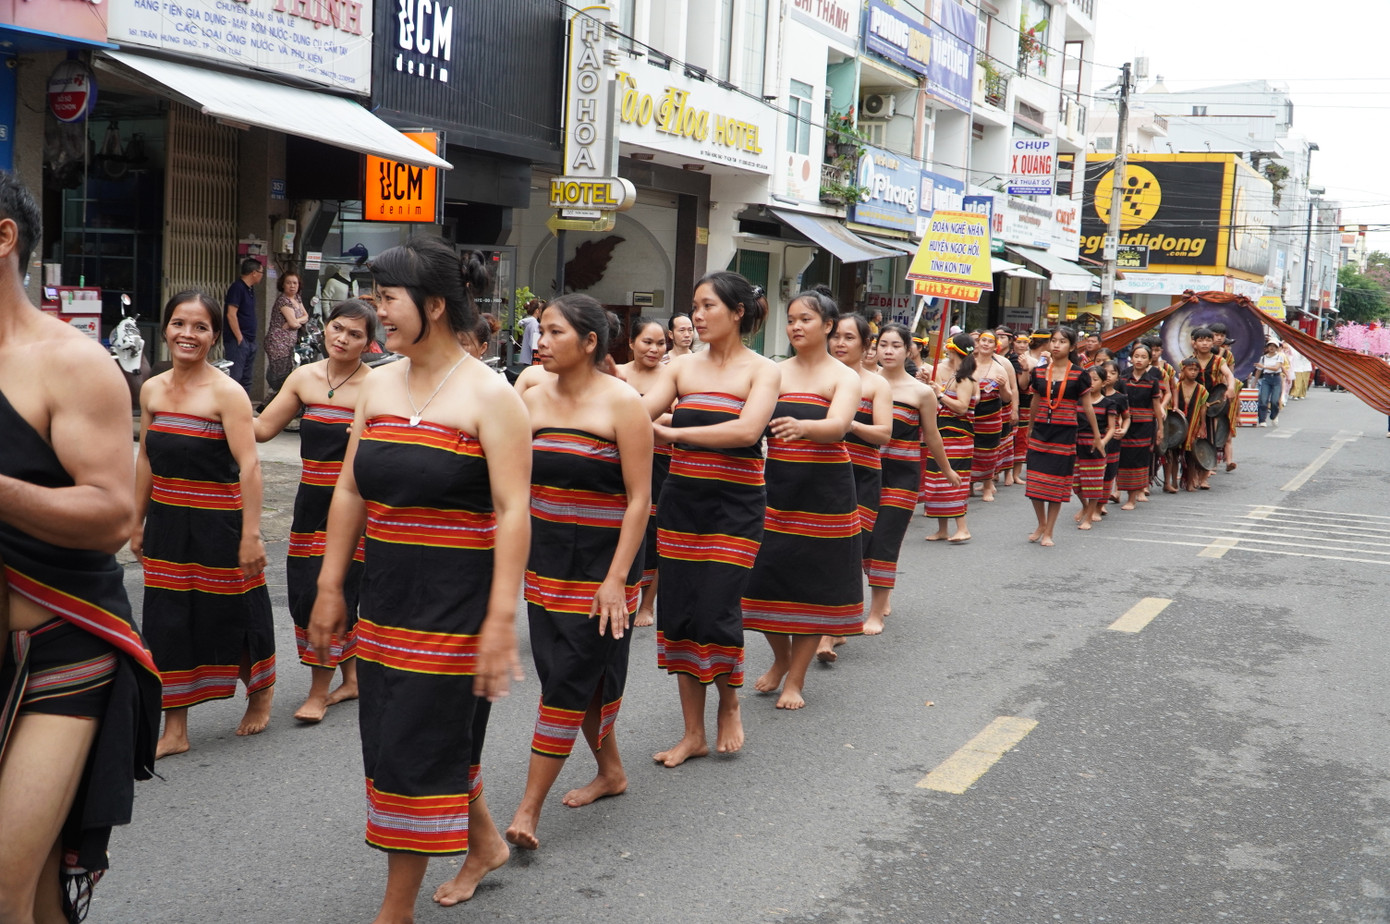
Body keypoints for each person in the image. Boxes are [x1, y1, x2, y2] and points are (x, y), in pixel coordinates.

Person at [309, 241, 530, 916]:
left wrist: (500, 620)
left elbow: (515, 511)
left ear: (433, 306)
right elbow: (350, 489)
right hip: (386, 596)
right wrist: (328, 585)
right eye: (374, 298)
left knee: (411, 744)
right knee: (401, 731)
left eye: (387, 299)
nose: (378, 312)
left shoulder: (493, 395)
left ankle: (393, 909)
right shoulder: (376, 383)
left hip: (456, 604)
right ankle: (485, 841)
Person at [0, 169, 161, 924]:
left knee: (5, 884)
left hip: (57, 649)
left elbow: (110, 515)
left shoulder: (70, 362)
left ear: (5, 239)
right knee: (30, 895)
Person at [505, 294, 651, 850]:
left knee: (568, 678)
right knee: (565, 674)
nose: (539, 342)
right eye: (540, 331)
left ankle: (527, 810)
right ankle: (611, 772)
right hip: (547, 561)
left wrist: (616, 579)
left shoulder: (623, 404)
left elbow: (639, 499)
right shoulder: (531, 398)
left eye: (554, 332)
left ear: (590, 343)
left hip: (603, 565)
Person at [640, 272, 779, 765]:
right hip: (682, 500)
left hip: (736, 504)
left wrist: (673, 435)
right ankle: (692, 733)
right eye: (694, 306)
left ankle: (730, 702)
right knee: (679, 611)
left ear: (738, 311)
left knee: (716, 607)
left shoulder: (763, 370)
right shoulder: (682, 370)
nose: (697, 316)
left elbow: (746, 432)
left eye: (707, 306)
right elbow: (639, 414)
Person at [133, 291, 276, 757]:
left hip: (221, 521)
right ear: (166, 328)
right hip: (168, 522)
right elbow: (146, 458)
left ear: (215, 336)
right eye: (178, 324)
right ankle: (175, 727)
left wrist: (252, 534)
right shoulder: (152, 388)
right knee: (166, 619)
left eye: (199, 327)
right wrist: (137, 522)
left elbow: (250, 466)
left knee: (233, 611)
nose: (187, 335)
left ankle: (260, 691)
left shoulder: (227, 393)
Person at [252, 300, 376, 722]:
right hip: (309, 503)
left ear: (368, 343)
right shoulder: (304, 377)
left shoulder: (376, 388)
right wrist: (217, 397)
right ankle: (353, 678)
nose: (343, 338)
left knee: (334, 592)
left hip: (356, 506)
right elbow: (264, 429)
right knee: (306, 591)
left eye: (355, 334)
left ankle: (318, 692)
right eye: (338, 328)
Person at [741, 288, 860, 710]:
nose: (796, 326)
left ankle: (796, 679)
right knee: (765, 576)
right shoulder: (774, 371)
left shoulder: (843, 376)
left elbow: (840, 425)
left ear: (828, 326)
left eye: (806, 319)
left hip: (825, 490)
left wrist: (805, 427)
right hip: (773, 484)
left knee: (813, 584)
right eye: (791, 318)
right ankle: (780, 658)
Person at [862, 324, 955, 635]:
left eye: (895, 346)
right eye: (883, 344)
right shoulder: (861, 383)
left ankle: (875, 612)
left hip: (901, 475)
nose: (888, 351)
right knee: (861, 541)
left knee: (885, 539)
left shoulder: (921, 392)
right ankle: (881, 591)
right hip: (863, 472)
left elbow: (932, 436)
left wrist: (947, 470)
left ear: (908, 350)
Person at [816, 312, 892, 662]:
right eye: (837, 337)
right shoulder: (816, 377)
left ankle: (829, 635)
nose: (841, 343)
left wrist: (848, 423)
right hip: (822, 474)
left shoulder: (876, 385)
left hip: (861, 477)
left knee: (848, 553)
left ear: (865, 346)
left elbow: (884, 434)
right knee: (821, 553)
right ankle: (825, 622)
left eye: (849, 338)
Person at [1025, 328, 1102, 547]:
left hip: (1065, 433)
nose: (1057, 345)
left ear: (1071, 346)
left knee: (1056, 485)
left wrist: (1097, 436)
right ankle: (1040, 523)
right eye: (1054, 341)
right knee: (1035, 482)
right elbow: (1035, 401)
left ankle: (1049, 531)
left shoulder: (1079, 374)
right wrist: (1030, 428)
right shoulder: (1039, 372)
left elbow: (1087, 406)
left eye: (1062, 341)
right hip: (1041, 431)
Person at [615, 318, 669, 628]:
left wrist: (659, 425)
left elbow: (686, 419)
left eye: (661, 343)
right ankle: (621, 590)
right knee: (624, 524)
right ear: (632, 342)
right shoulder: (617, 374)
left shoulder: (672, 374)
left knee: (659, 532)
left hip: (663, 461)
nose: (654, 349)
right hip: (621, 459)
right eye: (647, 341)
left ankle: (647, 603)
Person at [922, 333, 978, 542]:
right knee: (937, 478)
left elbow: (962, 408)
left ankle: (962, 527)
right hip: (943, 433)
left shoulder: (965, 379)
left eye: (949, 347)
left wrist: (940, 395)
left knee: (953, 478)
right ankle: (942, 528)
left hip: (958, 436)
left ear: (955, 350)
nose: (946, 351)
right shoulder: (955, 376)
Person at [969, 331, 1018, 502]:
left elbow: (1007, 397)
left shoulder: (999, 368)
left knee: (989, 453)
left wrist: (1003, 387)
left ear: (995, 346)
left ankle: (987, 486)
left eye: (990, 341)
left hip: (991, 418)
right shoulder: (968, 364)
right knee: (970, 451)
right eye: (983, 340)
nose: (985, 344)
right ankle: (969, 486)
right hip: (971, 416)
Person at [1118, 343, 1165, 509]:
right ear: (1131, 358)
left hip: (1144, 425)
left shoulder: (1152, 381)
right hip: (1124, 423)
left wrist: (1160, 428)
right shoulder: (1123, 377)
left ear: (1149, 361)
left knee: (1138, 459)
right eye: (1136, 356)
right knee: (1122, 457)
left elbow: (1156, 406)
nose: (1139, 360)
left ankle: (1132, 497)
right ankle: (1118, 490)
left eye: (1143, 357)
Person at [1073, 362, 1119, 530]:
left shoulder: (1108, 403)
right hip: (1077, 444)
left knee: (1093, 484)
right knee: (1075, 482)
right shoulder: (1077, 401)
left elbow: (1112, 427)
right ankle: (1085, 506)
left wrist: (1102, 442)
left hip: (1095, 445)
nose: (1091, 383)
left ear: (1104, 382)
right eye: (1088, 379)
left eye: (1095, 379)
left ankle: (1089, 518)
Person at [1168, 357, 1211, 492]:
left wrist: (1203, 425)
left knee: (1191, 455)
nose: (1193, 372)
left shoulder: (1202, 390)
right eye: (1190, 369)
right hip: (1176, 426)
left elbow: (1203, 408)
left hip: (1193, 424)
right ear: (1183, 370)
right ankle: (1174, 481)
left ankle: (1189, 482)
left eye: (1196, 370)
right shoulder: (1176, 387)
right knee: (1173, 454)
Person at [224, 256, 264, 393]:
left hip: (249, 340)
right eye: (261, 272)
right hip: (238, 341)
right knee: (235, 377)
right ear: (254, 273)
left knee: (246, 379)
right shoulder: (237, 288)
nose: (261, 276)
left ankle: (244, 408)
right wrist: (239, 338)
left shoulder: (250, 289)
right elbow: (231, 314)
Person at [265, 269, 309, 393]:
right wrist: (295, 322)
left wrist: (296, 321)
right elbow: (293, 324)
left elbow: (306, 317)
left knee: (288, 371)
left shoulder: (297, 299)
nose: (292, 286)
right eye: (288, 283)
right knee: (280, 376)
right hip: (278, 342)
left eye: (295, 283)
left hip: (290, 342)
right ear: (282, 285)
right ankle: (270, 402)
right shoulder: (283, 300)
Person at [1255, 339, 1288, 427]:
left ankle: (1274, 416)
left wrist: (1264, 366)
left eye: (1274, 346)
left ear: (1277, 348)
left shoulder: (1279, 357)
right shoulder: (1263, 358)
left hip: (1276, 378)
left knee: (1274, 400)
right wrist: (1254, 382)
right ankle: (1262, 420)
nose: (1271, 348)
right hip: (1266, 378)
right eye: (1270, 345)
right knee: (1263, 399)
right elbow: (1258, 371)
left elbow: (1277, 367)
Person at [519, 297, 545, 365]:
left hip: (527, 358)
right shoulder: (534, 324)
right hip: (531, 360)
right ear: (537, 311)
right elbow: (534, 344)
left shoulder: (530, 322)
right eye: (541, 310)